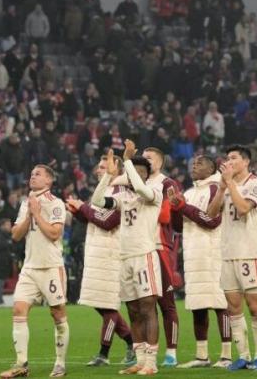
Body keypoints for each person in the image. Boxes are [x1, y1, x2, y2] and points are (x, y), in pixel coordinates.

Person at [91, 142, 163, 375]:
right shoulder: (124, 199)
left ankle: (151, 362)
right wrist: (109, 177)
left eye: (141, 174)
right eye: (134, 173)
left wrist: (129, 161)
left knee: (147, 308)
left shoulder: (154, 194)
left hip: (144, 256)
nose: (136, 178)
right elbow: (97, 201)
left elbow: (141, 188)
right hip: (125, 258)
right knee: (132, 310)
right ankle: (140, 360)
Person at [0, 165, 69, 379]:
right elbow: (16, 235)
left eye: (38, 174)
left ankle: (60, 363)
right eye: (31, 174)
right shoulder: (25, 204)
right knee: (18, 310)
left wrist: (37, 213)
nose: (32, 176)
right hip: (29, 268)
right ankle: (21, 364)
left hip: (50, 266)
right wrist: (29, 214)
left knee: (57, 313)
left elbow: (55, 233)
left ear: (49, 180)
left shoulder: (56, 203)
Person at [66, 154, 135, 367]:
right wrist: (78, 211)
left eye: (104, 167)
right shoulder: (102, 191)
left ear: (118, 169)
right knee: (101, 304)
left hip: (112, 254)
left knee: (108, 305)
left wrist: (83, 207)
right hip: (96, 252)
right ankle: (132, 343)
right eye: (98, 166)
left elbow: (106, 222)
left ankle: (104, 354)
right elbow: (92, 219)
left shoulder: (123, 194)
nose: (98, 170)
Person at [208, 145, 257, 371]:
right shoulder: (225, 185)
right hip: (227, 254)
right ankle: (243, 356)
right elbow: (211, 213)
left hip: (249, 254)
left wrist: (230, 184)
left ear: (245, 162)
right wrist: (221, 187)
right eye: (227, 158)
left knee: (254, 307)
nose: (228, 162)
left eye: (233, 158)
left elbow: (243, 208)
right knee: (233, 307)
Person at [168, 155, 232, 369]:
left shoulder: (215, 188)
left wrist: (184, 207)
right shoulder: (189, 192)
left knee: (219, 303)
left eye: (199, 163)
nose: (194, 166)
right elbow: (178, 227)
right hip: (193, 254)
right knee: (198, 305)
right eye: (192, 163)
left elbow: (212, 221)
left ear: (212, 168)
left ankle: (226, 355)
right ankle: (202, 356)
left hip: (212, 254)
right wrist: (175, 207)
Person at [142, 147, 182, 367]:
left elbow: (168, 217)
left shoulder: (167, 184)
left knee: (165, 303)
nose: (145, 161)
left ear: (159, 162)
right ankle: (146, 352)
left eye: (149, 158)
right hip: (139, 249)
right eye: (143, 158)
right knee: (144, 304)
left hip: (159, 246)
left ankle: (172, 352)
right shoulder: (137, 183)